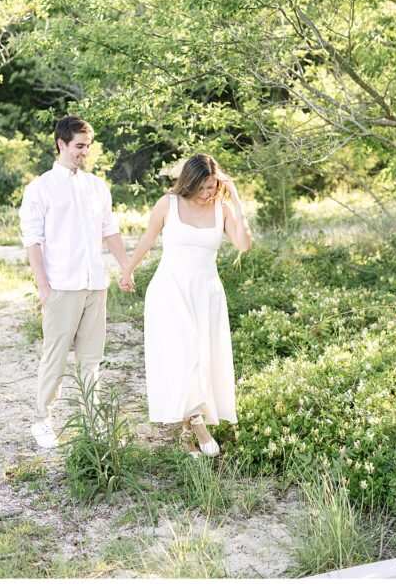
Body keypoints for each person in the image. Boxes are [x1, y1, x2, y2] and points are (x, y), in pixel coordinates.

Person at [120, 153, 252, 456]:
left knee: (201, 359)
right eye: (202, 188)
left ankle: (187, 434)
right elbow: (148, 239)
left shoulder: (223, 209)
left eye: (212, 187)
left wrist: (237, 200)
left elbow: (243, 245)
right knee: (184, 356)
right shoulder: (168, 204)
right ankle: (200, 426)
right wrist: (128, 270)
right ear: (189, 182)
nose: (207, 194)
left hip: (206, 293)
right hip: (169, 291)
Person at [19, 115, 133, 449]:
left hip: (94, 285)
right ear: (62, 144)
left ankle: (93, 421)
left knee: (91, 360)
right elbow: (33, 240)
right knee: (54, 358)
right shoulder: (40, 188)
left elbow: (109, 230)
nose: (85, 152)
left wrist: (125, 267)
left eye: (88, 146)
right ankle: (42, 420)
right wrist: (44, 287)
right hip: (61, 287)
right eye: (79, 146)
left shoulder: (97, 187)